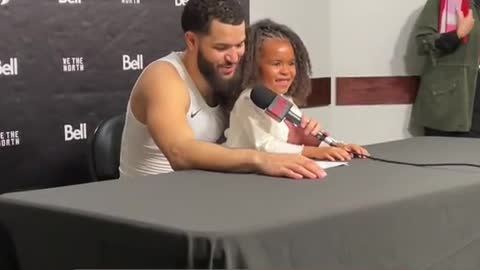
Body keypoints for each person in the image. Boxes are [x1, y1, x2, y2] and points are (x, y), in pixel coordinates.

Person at [118, 0, 326, 180]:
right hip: (149, 205)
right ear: (191, 41)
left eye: (240, 45)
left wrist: (300, 138)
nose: (234, 57)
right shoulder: (164, 78)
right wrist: (260, 159)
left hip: (203, 192)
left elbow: (258, 135)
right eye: (222, 48)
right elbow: (179, 152)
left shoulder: (232, 73)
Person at [223, 19, 369, 161]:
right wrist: (315, 152)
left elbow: (300, 135)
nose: (286, 71)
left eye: (291, 63)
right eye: (276, 64)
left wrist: (338, 145)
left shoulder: (283, 100)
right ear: (253, 66)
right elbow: (265, 146)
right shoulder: (248, 100)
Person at [412, 0, 480, 137]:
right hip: (452, 102)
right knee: (449, 155)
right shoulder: (445, 2)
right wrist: (456, 35)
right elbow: (423, 42)